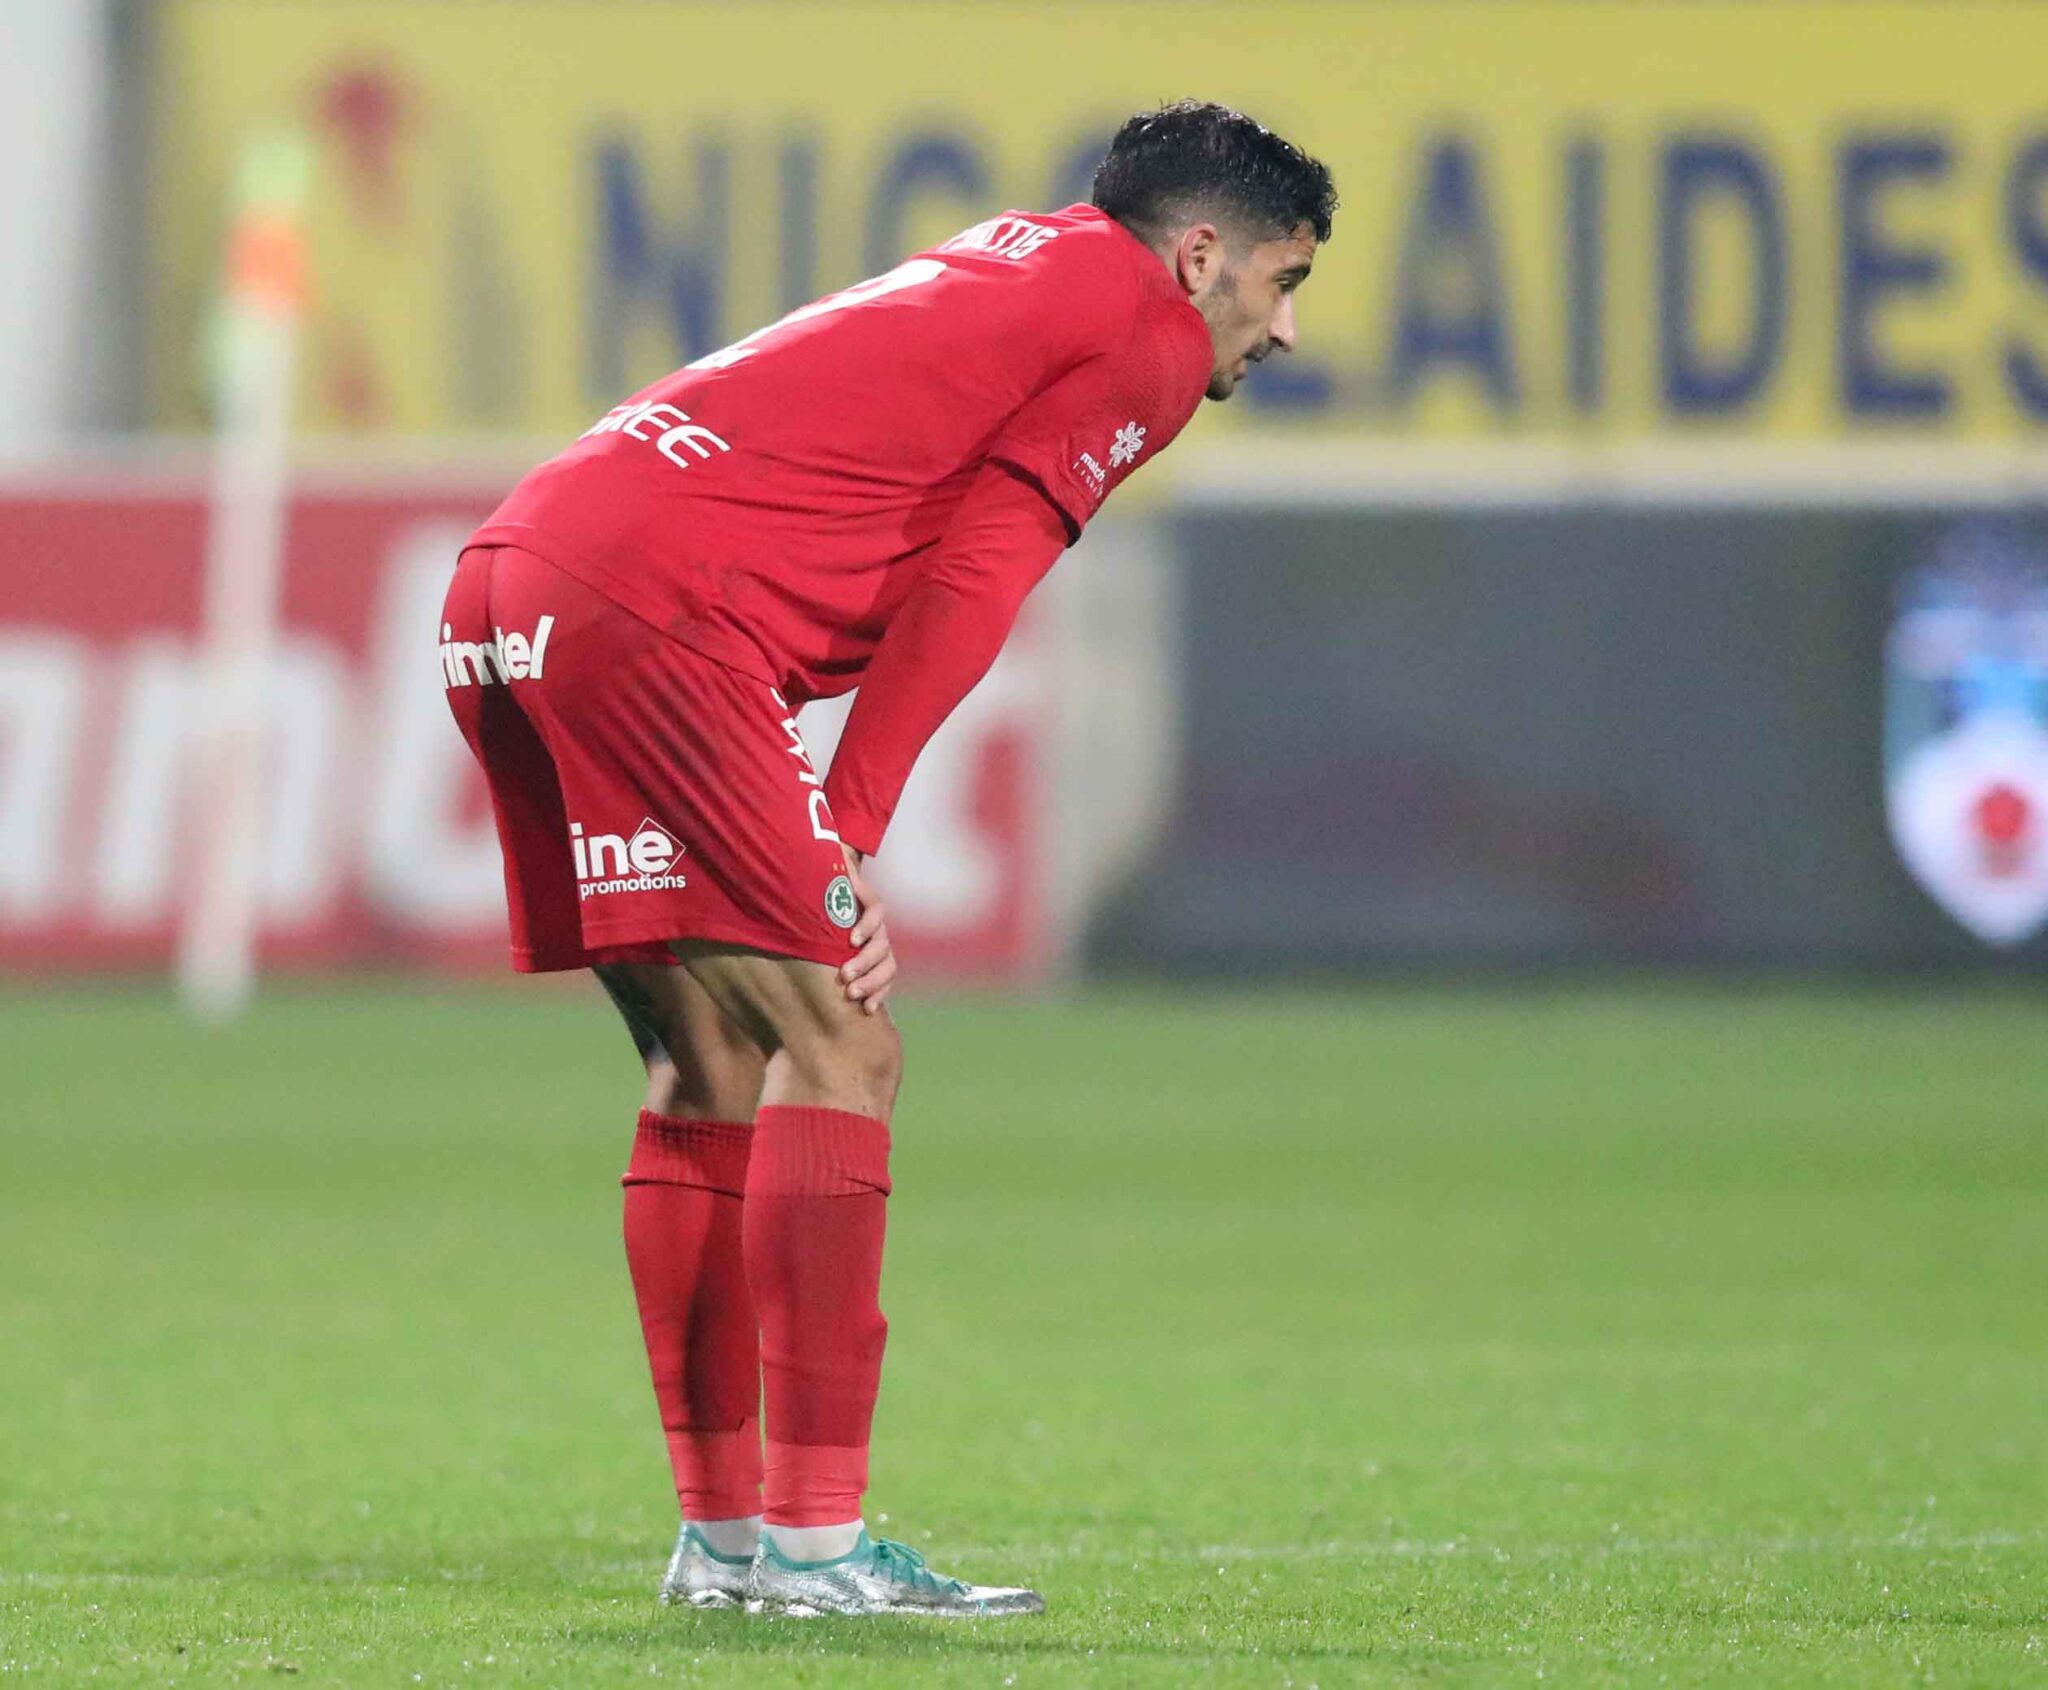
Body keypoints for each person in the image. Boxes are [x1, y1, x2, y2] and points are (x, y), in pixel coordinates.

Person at [441, 99, 1334, 1619]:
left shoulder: (1024, 263)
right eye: (1284, 278)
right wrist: (849, 821)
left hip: (509, 584)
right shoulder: (1145, 331)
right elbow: (980, 570)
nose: (1287, 327)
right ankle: (813, 1548)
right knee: (844, 1044)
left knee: (709, 1060)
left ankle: (726, 1546)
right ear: (1200, 257)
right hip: (659, 604)